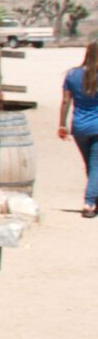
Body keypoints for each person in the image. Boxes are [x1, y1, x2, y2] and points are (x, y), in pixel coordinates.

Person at [60, 41, 98, 218]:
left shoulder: (72, 74)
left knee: (91, 165)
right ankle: (89, 203)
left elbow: (66, 101)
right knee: (95, 165)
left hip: (79, 127)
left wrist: (62, 124)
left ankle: (95, 200)